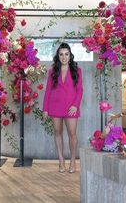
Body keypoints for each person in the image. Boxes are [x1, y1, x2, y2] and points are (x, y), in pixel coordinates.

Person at [43, 43, 83, 173]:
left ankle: (72, 161)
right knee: (57, 132)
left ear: (70, 55)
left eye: (66, 54)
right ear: (58, 56)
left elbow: (80, 90)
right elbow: (48, 91)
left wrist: (75, 105)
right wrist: (45, 109)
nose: (64, 57)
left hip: (71, 107)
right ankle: (61, 160)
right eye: (61, 54)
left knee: (72, 134)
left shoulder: (77, 71)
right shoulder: (52, 72)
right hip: (55, 107)